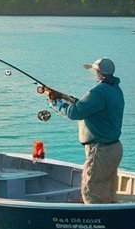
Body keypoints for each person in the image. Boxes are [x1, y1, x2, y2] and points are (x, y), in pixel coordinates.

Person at [39, 58, 124, 204]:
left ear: (99, 72)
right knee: (107, 191)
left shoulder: (97, 92)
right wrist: (64, 97)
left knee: (90, 192)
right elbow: (91, 107)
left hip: (100, 151)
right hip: (114, 148)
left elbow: (74, 113)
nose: (93, 73)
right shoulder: (115, 90)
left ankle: (97, 224)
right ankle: (111, 221)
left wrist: (54, 102)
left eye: (94, 70)